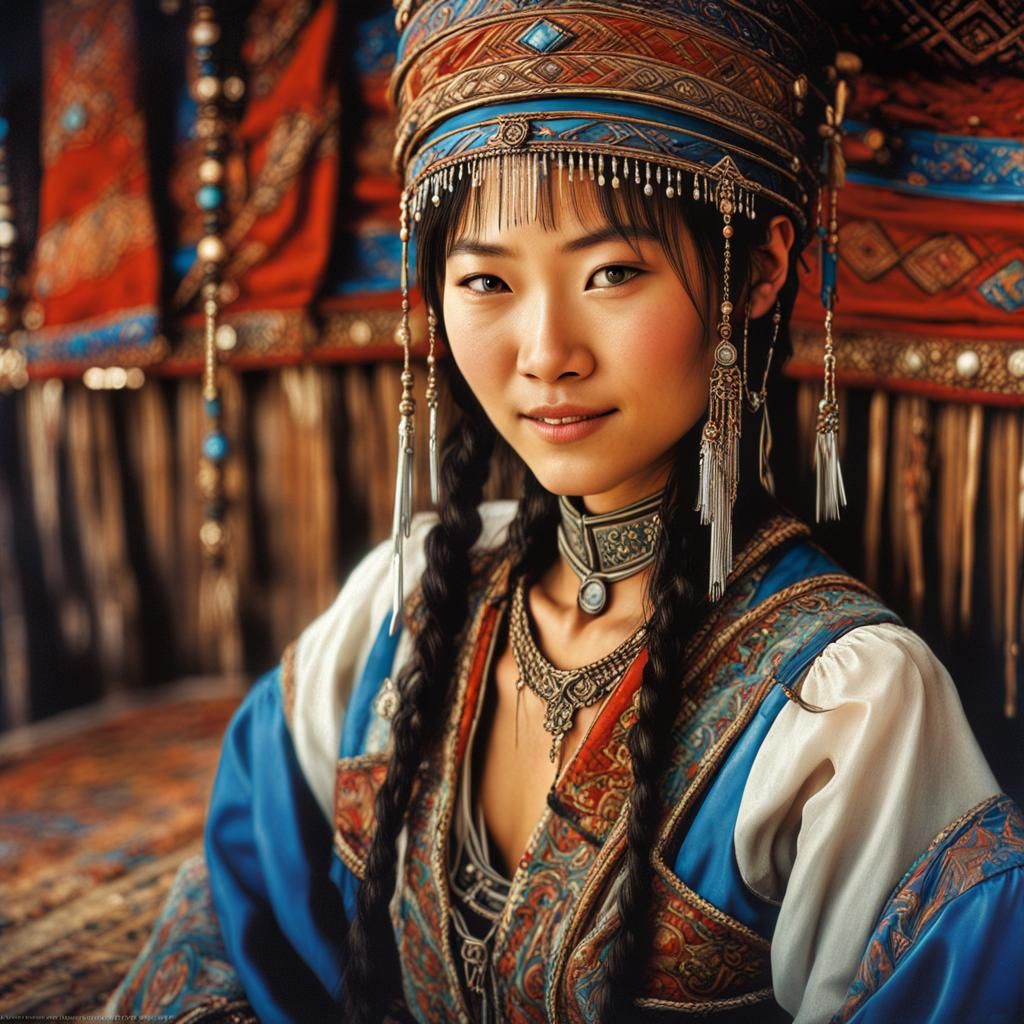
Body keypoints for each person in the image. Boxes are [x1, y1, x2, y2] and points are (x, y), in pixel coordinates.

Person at [136, 2, 1024, 1022]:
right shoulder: (399, 606)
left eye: (611, 272)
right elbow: (227, 924)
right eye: (485, 280)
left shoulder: (846, 706)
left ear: (763, 269)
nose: (544, 350)